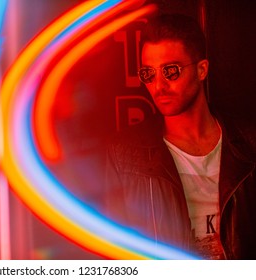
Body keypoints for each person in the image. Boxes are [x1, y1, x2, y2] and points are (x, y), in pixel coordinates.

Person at [104, 13, 256, 259]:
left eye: (170, 71)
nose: (158, 86)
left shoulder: (248, 146)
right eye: (148, 74)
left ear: (202, 69)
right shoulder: (126, 157)